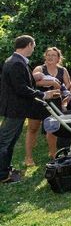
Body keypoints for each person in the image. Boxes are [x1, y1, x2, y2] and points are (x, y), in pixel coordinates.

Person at [0, 36, 60, 183]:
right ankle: (2, 175)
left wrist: (38, 77)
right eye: (33, 46)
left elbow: (23, 83)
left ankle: (6, 169)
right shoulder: (16, 63)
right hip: (14, 110)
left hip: (17, 109)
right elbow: (22, 89)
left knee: (11, 140)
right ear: (29, 45)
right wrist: (44, 94)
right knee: (5, 141)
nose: (33, 49)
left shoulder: (16, 61)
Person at [26, 47, 71, 166]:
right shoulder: (40, 68)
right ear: (45, 56)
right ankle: (28, 157)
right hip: (38, 102)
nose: (51, 57)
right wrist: (52, 83)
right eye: (48, 55)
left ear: (58, 58)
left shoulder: (63, 70)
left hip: (55, 103)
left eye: (54, 55)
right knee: (32, 129)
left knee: (52, 130)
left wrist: (63, 91)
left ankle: (53, 154)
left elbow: (67, 83)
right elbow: (33, 82)